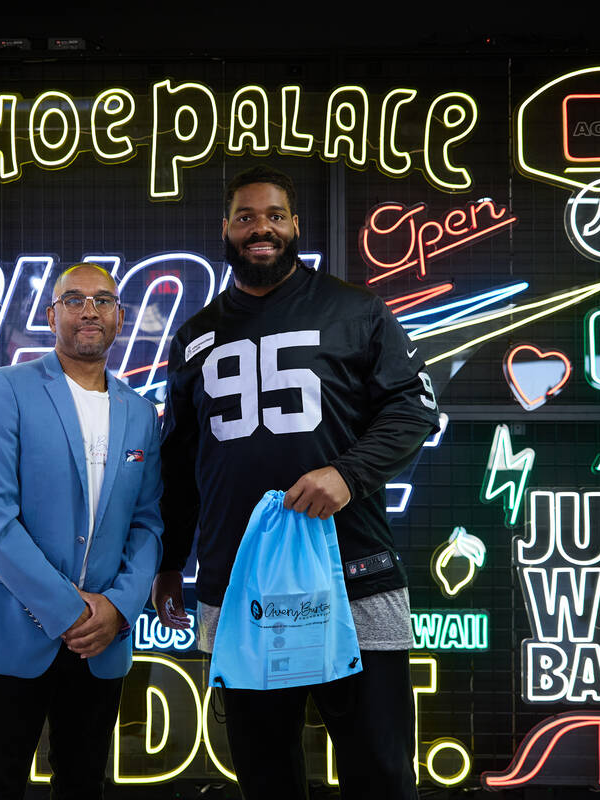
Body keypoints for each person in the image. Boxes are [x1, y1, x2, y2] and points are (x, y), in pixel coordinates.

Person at [152, 166, 440, 800]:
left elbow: (415, 407)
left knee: (381, 772)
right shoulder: (196, 333)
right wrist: (170, 560)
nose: (262, 228)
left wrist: (348, 473)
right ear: (225, 229)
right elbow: (180, 459)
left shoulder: (355, 309)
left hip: (352, 574)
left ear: (295, 227)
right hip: (239, 582)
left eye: (275, 216)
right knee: (265, 776)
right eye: (247, 217)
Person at [0, 262, 163, 799]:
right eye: (74, 299)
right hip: (14, 628)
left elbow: (147, 522)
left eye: (103, 300)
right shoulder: (5, 390)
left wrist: (118, 607)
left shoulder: (142, 414)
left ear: (121, 317)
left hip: (103, 639)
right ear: (52, 316)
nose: (89, 309)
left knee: (84, 783)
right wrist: (72, 611)